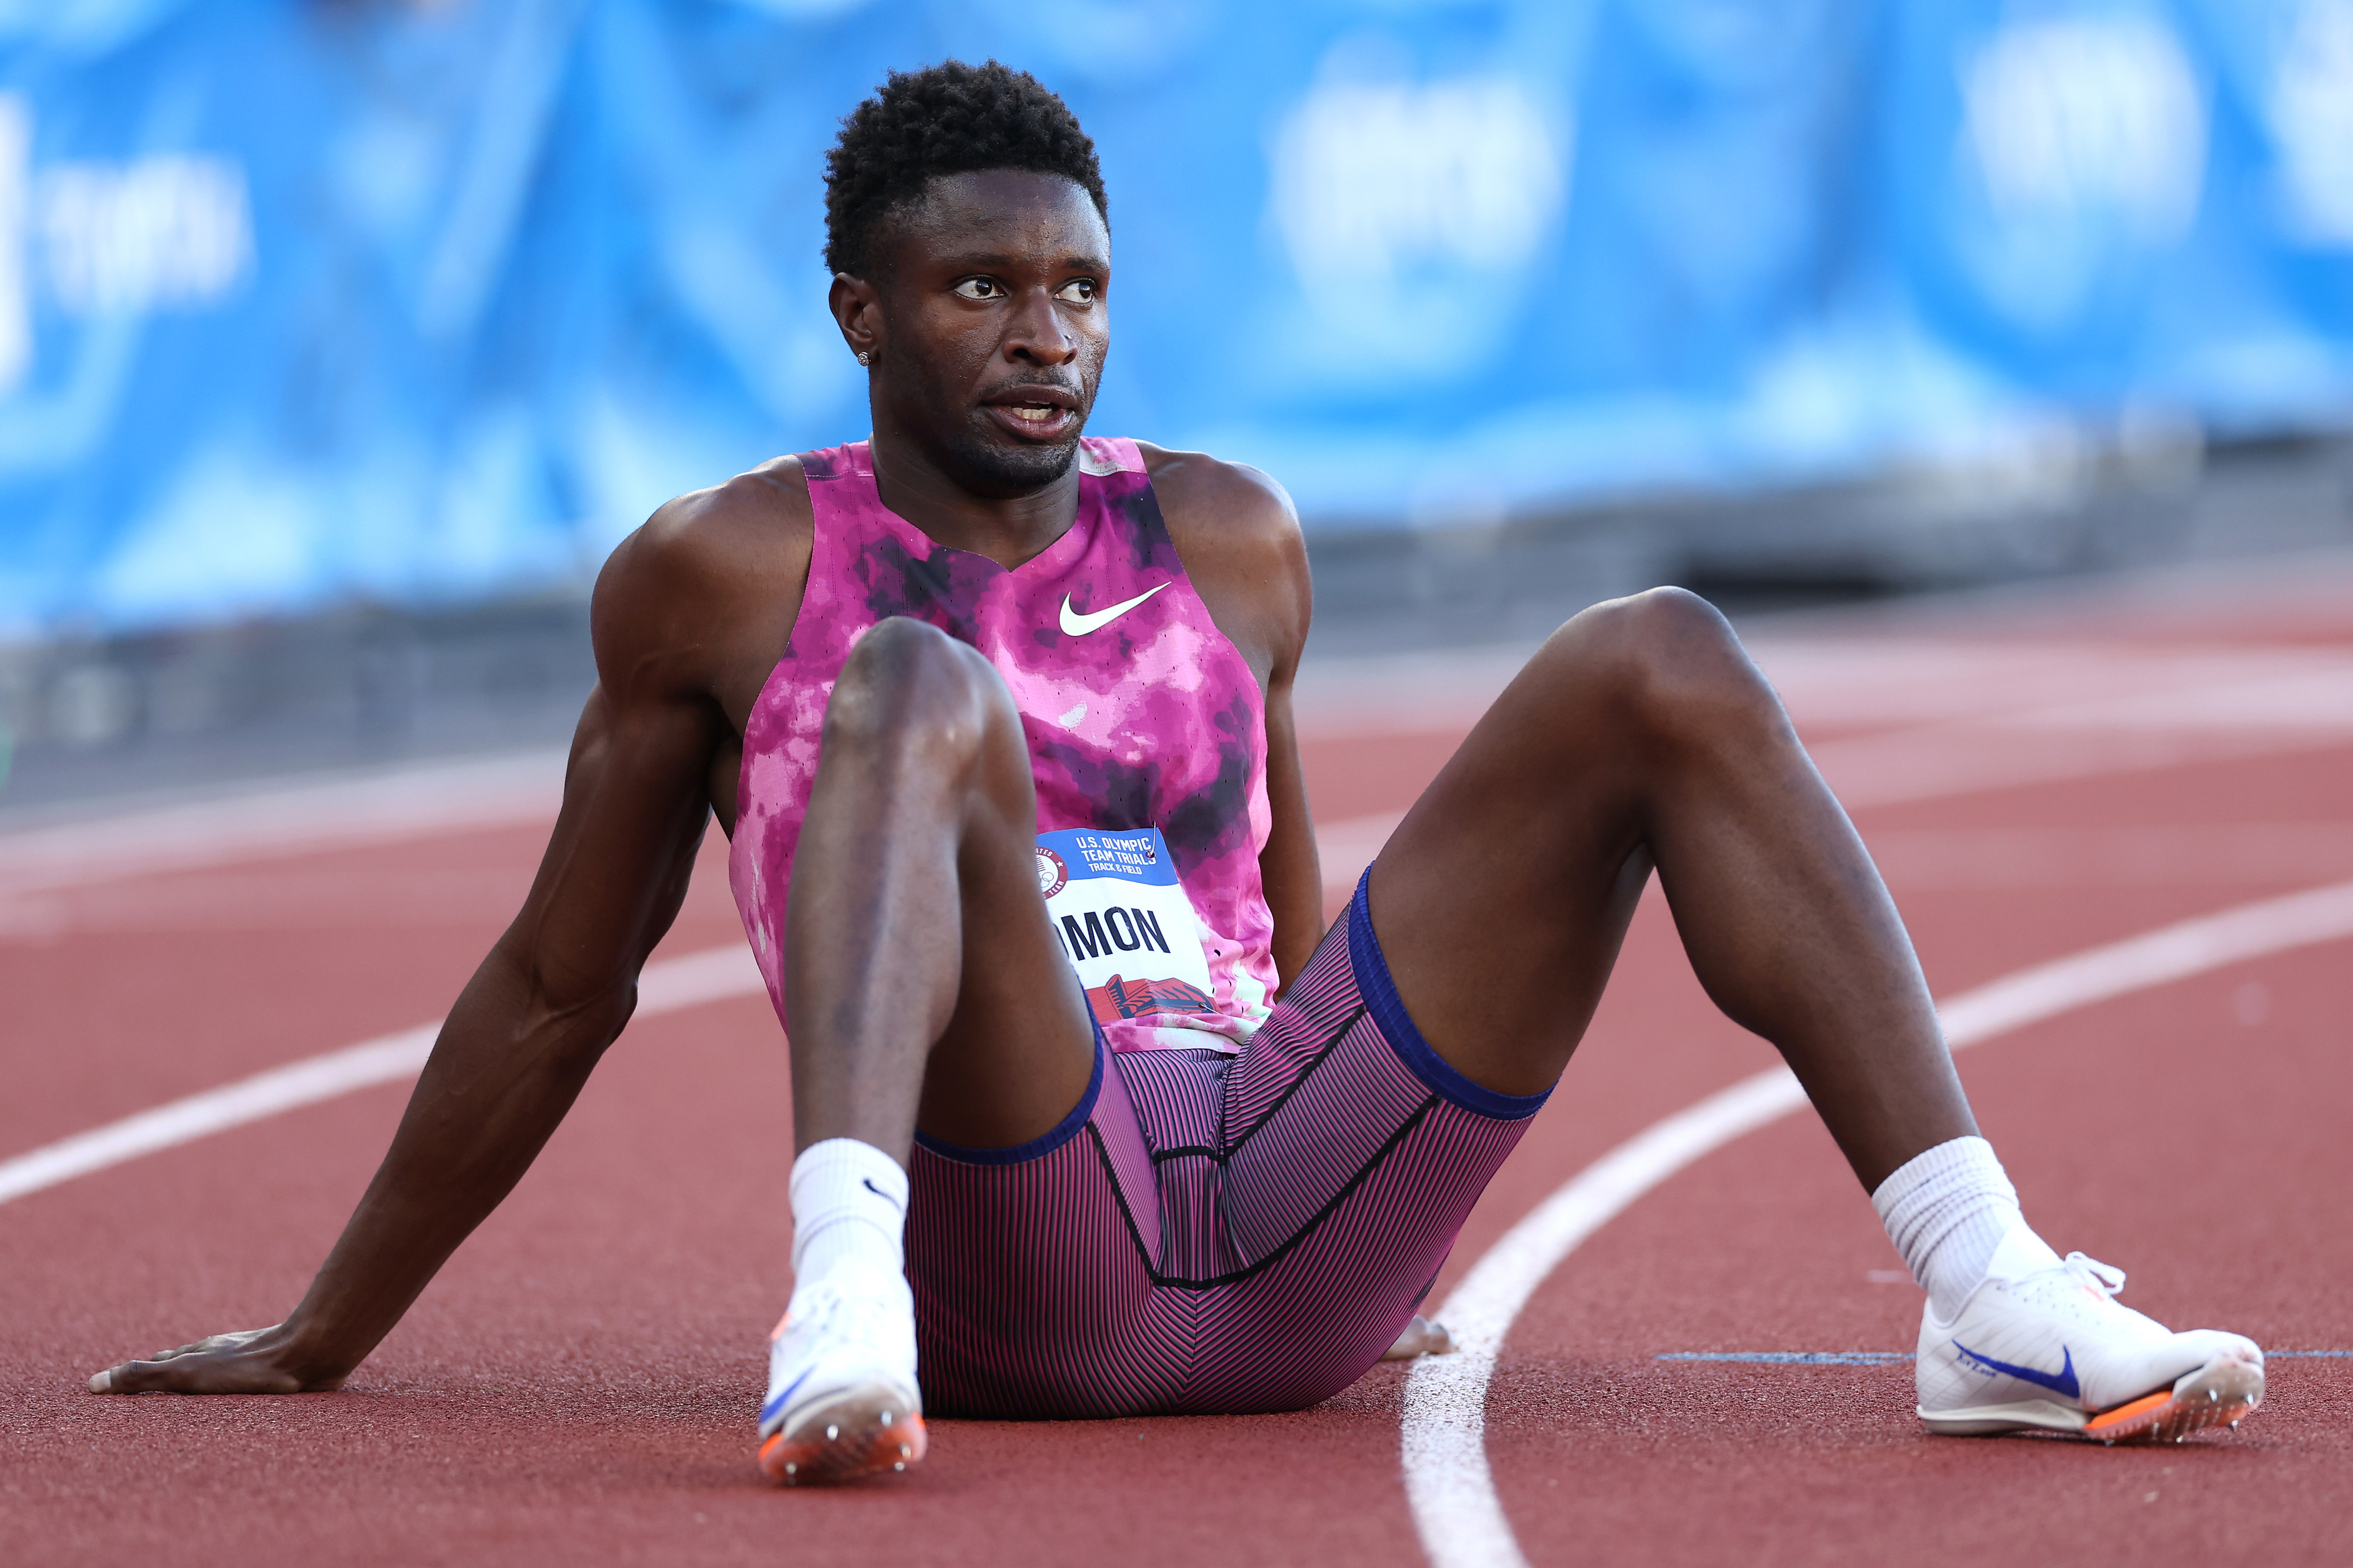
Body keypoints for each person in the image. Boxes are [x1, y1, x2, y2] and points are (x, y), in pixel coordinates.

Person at [88, 61, 2264, 1482]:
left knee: (1661, 657)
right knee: (916, 691)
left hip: (1278, 1210)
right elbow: (562, 978)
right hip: (1011, 1230)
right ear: (860, 311)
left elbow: (1300, 929)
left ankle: (1987, 1291)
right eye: (979, 290)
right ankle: (832, 1290)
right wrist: (324, 1324)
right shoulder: (726, 572)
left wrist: (1377, 1210)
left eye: (1078, 289)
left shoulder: (1228, 532)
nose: (1042, 334)